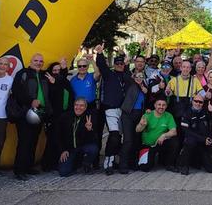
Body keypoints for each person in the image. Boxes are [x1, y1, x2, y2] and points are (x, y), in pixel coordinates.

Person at [10, 53, 52, 180]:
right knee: (24, 142)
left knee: (33, 141)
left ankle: (29, 166)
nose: (38, 63)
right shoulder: (22, 74)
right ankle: (19, 170)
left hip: (39, 113)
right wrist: (30, 101)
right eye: (36, 60)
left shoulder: (44, 75)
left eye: (41, 61)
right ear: (30, 61)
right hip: (25, 113)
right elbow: (17, 91)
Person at [95, 44, 127, 175]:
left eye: (121, 63)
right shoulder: (109, 74)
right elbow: (102, 65)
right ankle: (108, 161)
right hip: (111, 109)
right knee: (114, 135)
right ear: (114, 65)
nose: (120, 65)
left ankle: (114, 159)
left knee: (119, 136)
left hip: (124, 110)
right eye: (117, 63)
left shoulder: (127, 75)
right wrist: (100, 53)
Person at [42, 59, 74, 172]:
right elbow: (51, 97)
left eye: (58, 70)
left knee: (62, 138)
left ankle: (58, 161)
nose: (56, 72)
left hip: (65, 115)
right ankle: (47, 164)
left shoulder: (63, 81)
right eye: (54, 70)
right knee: (52, 139)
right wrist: (53, 83)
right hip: (53, 116)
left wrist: (64, 68)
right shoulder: (48, 83)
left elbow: (62, 80)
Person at [177, 94, 212, 175]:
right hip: (192, 142)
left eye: (200, 102)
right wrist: (203, 139)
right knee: (190, 141)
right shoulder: (186, 113)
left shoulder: (205, 112)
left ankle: (196, 162)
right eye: (196, 101)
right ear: (192, 101)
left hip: (203, 143)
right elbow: (186, 131)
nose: (198, 104)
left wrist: (211, 112)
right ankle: (184, 165)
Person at [57, 98, 98, 177]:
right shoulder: (65, 117)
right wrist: (63, 150)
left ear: (85, 108)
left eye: (81, 106)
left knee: (93, 149)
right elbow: (58, 136)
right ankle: (76, 164)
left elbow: (94, 140)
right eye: (76, 105)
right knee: (63, 172)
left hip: (83, 146)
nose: (78, 107)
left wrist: (89, 130)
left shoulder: (89, 117)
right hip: (69, 149)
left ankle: (86, 162)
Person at [136, 98, 178, 172]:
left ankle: (169, 164)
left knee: (174, 142)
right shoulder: (147, 115)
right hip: (148, 145)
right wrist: (141, 125)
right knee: (145, 168)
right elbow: (137, 130)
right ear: (155, 105)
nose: (161, 107)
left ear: (166, 106)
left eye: (163, 105)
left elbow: (174, 131)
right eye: (159, 104)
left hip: (159, 143)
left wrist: (164, 135)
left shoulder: (168, 116)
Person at [119, 67, 147, 173]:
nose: (139, 78)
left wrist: (144, 90)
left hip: (139, 115)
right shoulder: (130, 84)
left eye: (141, 76)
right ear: (133, 77)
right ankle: (123, 164)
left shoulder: (144, 87)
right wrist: (126, 65)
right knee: (128, 140)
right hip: (128, 114)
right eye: (137, 76)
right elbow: (126, 76)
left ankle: (132, 162)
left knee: (136, 140)